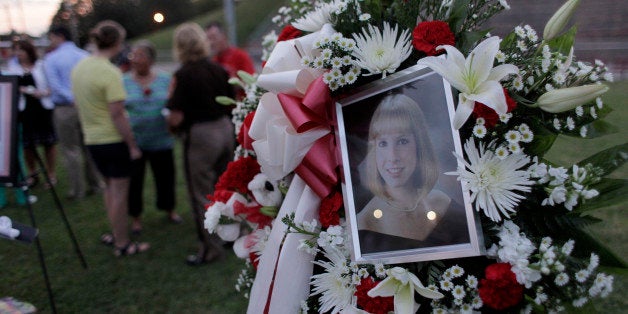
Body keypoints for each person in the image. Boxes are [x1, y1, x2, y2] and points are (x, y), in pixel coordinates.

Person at [71, 20, 148, 256]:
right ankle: (122, 243)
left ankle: (116, 233)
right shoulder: (110, 72)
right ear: (116, 42)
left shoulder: (79, 68)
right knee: (119, 194)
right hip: (112, 141)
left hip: (92, 141)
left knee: (109, 190)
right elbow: (117, 114)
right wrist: (132, 145)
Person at [356, 93, 469, 253]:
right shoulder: (364, 223)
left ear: (420, 145)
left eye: (402, 141)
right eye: (383, 143)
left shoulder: (443, 204)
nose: (392, 157)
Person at [166, 22, 235, 266]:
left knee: (202, 194)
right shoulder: (218, 69)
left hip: (202, 136)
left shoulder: (183, 75)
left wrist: (171, 126)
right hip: (225, 129)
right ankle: (232, 235)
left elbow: (176, 116)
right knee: (226, 188)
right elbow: (231, 100)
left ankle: (210, 249)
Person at [123, 40, 181, 234]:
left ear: (150, 59)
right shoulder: (124, 81)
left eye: (139, 55)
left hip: (162, 140)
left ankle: (170, 210)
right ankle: (136, 218)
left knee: (165, 179)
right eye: (133, 56)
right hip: (135, 142)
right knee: (135, 182)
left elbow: (173, 104)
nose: (135, 60)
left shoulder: (165, 79)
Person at [44, 25, 103, 200]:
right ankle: (96, 184)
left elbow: (55, 86)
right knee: (89, 147)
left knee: (70, 149)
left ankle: (77, 190)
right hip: (86, 105)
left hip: (65, 108)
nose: (50, 41)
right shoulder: (84, 55)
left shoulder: (51, 59)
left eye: (51, 38)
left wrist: (71, 98)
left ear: (58, 36)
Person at [6, 39, 57, 188]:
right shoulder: (13, 67)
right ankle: (33, 173)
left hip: (42, 108)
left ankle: (51, 174)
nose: (18, 54)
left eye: (21, 50)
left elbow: (50, 84)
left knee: (48, 142)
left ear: (29, 51)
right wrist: (25, 90)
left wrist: (45, 92)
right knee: (28, 145)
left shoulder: (41, 65)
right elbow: (11, 86)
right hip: (25, 110)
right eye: (16, 51)